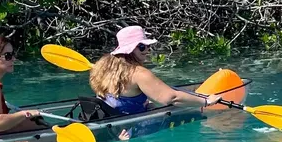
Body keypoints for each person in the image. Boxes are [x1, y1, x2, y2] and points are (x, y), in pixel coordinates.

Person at [89, 26, 222, 127]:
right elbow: (171, 97)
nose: (147, 50)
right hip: (133, 127)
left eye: (148, 46)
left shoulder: (104, 67)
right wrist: (206, 102)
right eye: (141, 47)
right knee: (198, 116)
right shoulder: (139, 73)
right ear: (129, 50)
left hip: (109, 117)